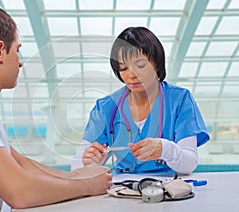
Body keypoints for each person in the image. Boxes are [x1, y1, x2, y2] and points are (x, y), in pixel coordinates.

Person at [0, 4, 112, 211]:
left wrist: (75, 175)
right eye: (18, 50)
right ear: (0, 51)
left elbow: (21, 164)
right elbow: (20, 192)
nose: (20, 63)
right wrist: (87, 186)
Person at [73, 26, 210, 175]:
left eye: (140, 65)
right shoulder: (106, 107)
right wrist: (89, 164)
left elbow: (189, 163)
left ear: (156, 63)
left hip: (168, 189)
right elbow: (77, 165)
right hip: (122, 190)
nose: (131, 75)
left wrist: (165, 149)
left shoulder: (180, 100)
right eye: (123, 68)